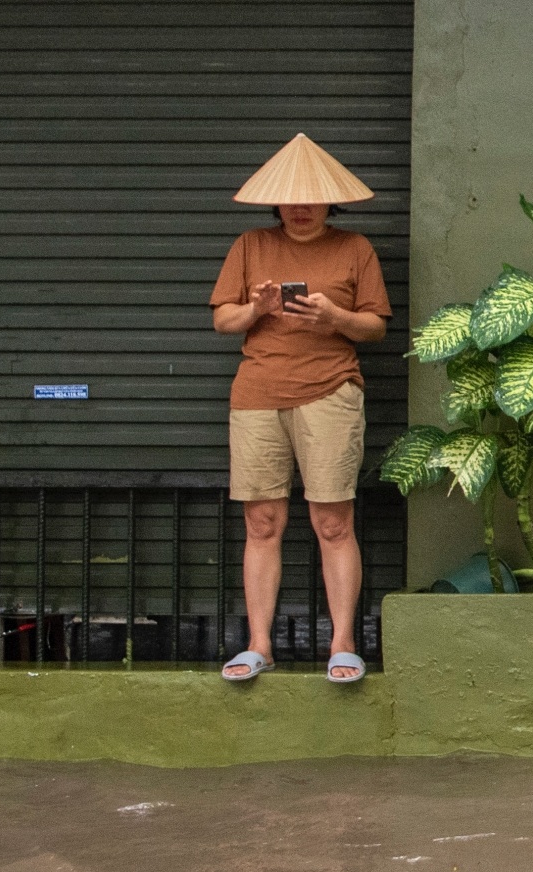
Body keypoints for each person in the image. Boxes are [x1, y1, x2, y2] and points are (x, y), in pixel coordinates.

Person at [211, 135, 391, 683]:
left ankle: (342, 644)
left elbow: (376, 327)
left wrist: (334, 316)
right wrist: (257, 309)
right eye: (290, 197)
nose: (300, 206)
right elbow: (222, 321)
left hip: (331, 391)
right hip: (258, 394)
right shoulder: (249, 244)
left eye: (311, 197)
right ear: (276, 201)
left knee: (333, 520)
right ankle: (259, 644)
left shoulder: (354, 247)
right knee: (262, 521)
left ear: (330, 200)